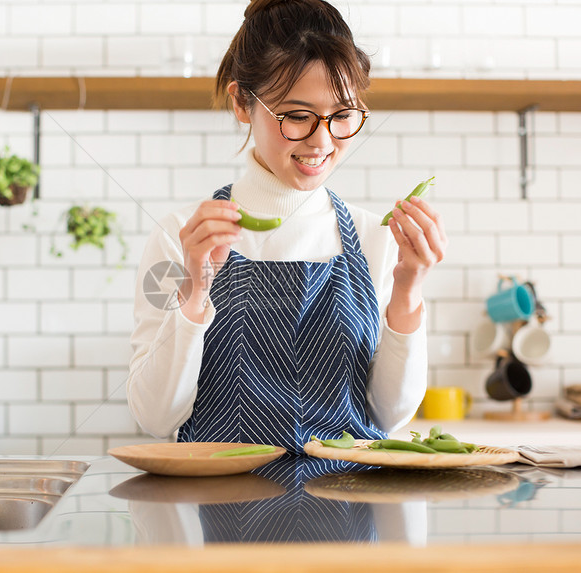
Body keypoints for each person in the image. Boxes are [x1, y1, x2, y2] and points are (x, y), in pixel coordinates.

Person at [126, 0, 447, 454]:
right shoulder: (180, 239)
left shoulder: (377, 238)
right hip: (218, 512)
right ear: (242, 102)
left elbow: (389, 415)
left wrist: (408, 288)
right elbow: (155, 418)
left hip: (352, 508)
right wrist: (195, 291)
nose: (321, 141)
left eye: (342, 116)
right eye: (297, 116)